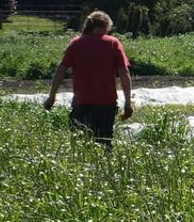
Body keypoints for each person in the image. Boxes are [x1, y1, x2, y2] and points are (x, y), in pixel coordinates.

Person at [43, 10, 133, 145]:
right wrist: (127, 102)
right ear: (106, 26)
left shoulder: (76, 43)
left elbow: (60, 70)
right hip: (106, 105)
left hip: (82, 103)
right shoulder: (113, 43)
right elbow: (124, 73)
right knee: (104, 145)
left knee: (80, 146)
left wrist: (52, 96)